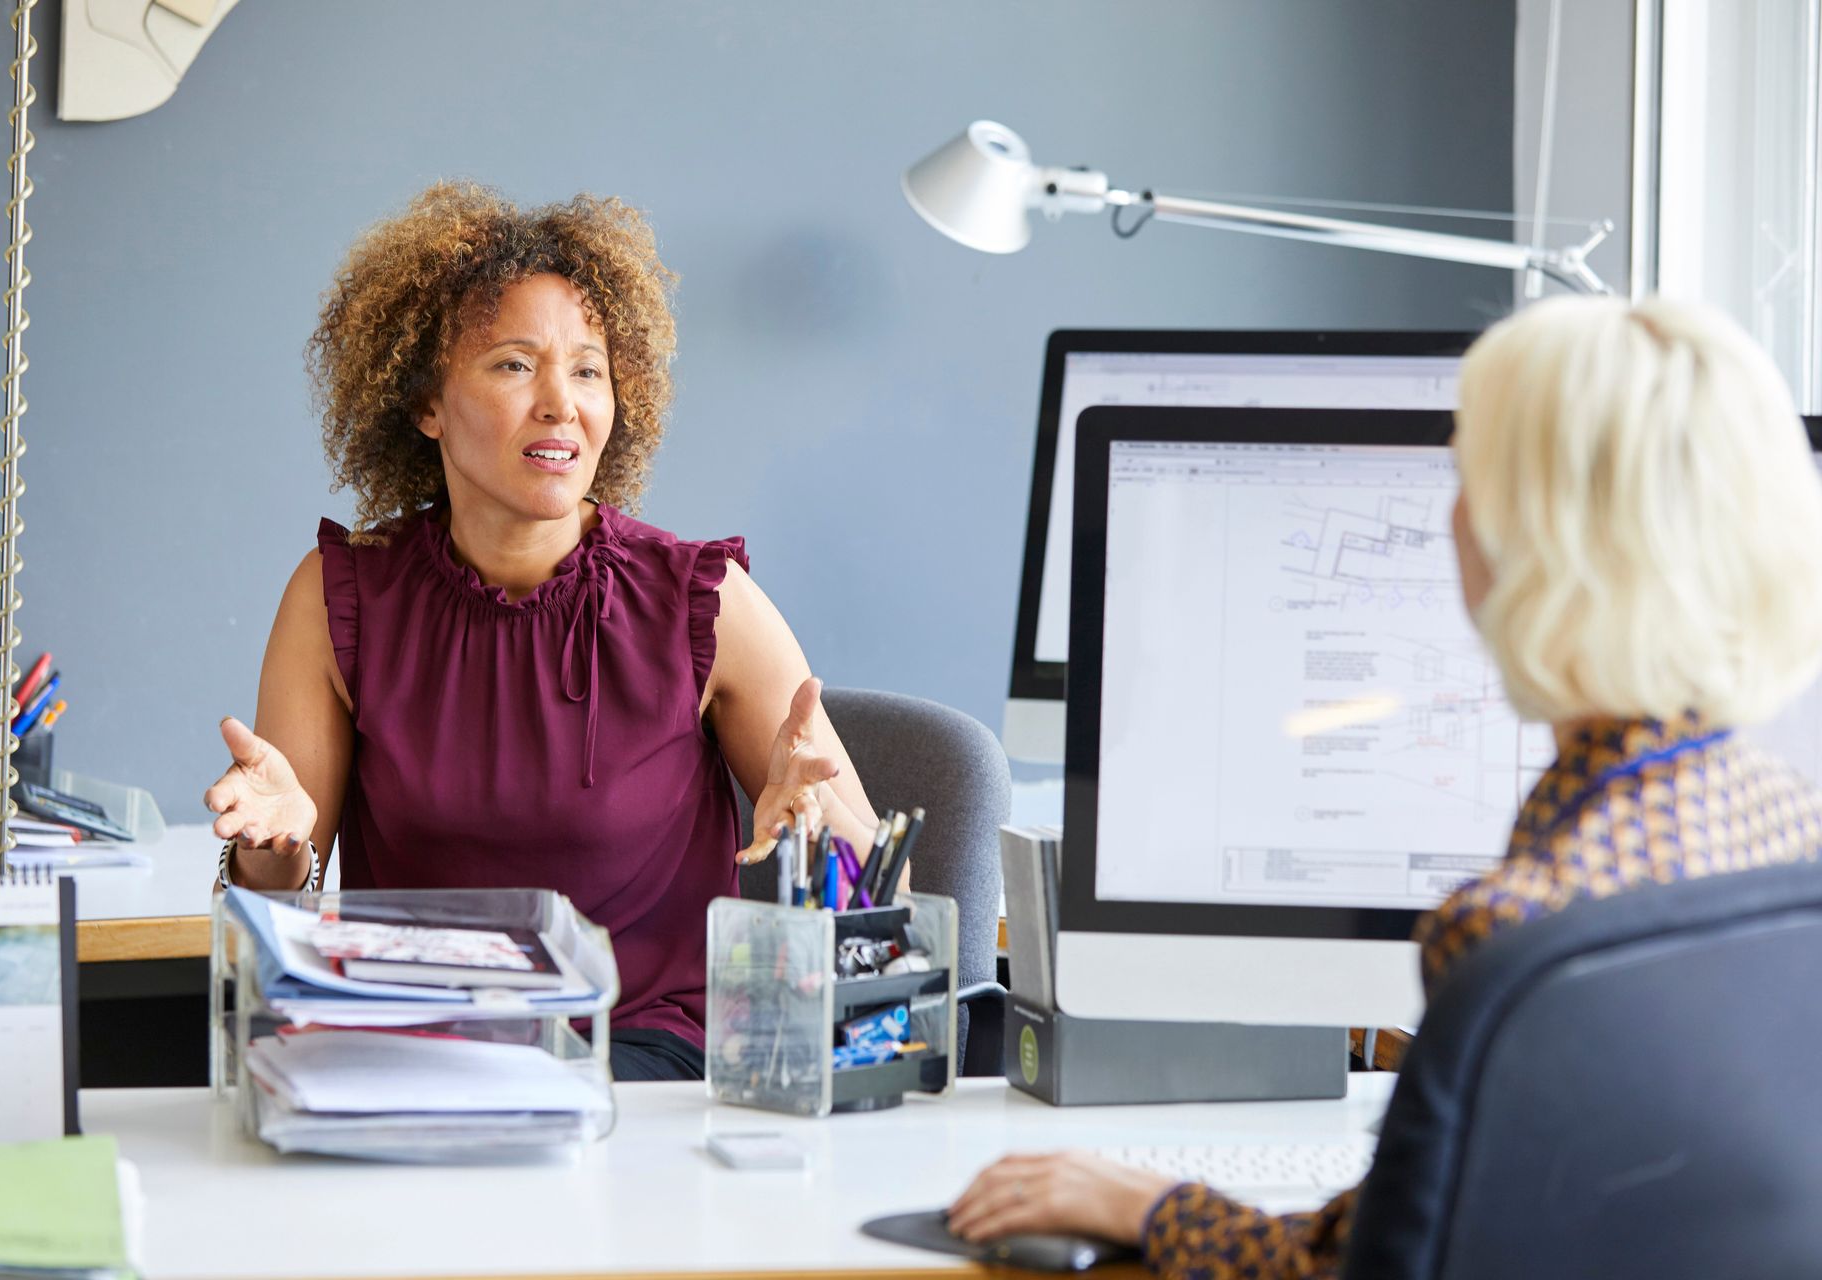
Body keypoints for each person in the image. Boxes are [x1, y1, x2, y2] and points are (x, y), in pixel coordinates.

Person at [947, 295, 1822, 1275]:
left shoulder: (1519, 941)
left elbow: (1354, 1266)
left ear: (1523, 552)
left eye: (1469, 473)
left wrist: (1152, 1205)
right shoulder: (1791, 832)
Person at [203, 182, 879, 1081]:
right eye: (515, 365)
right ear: (425, 404)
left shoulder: (703, 601)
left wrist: (816, 835)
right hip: (417, 1045)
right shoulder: (340, 598)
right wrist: (270, 847)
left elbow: (879, 894)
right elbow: (276, 910)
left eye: (589, 369)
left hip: (638, 1057)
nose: (561, 403)